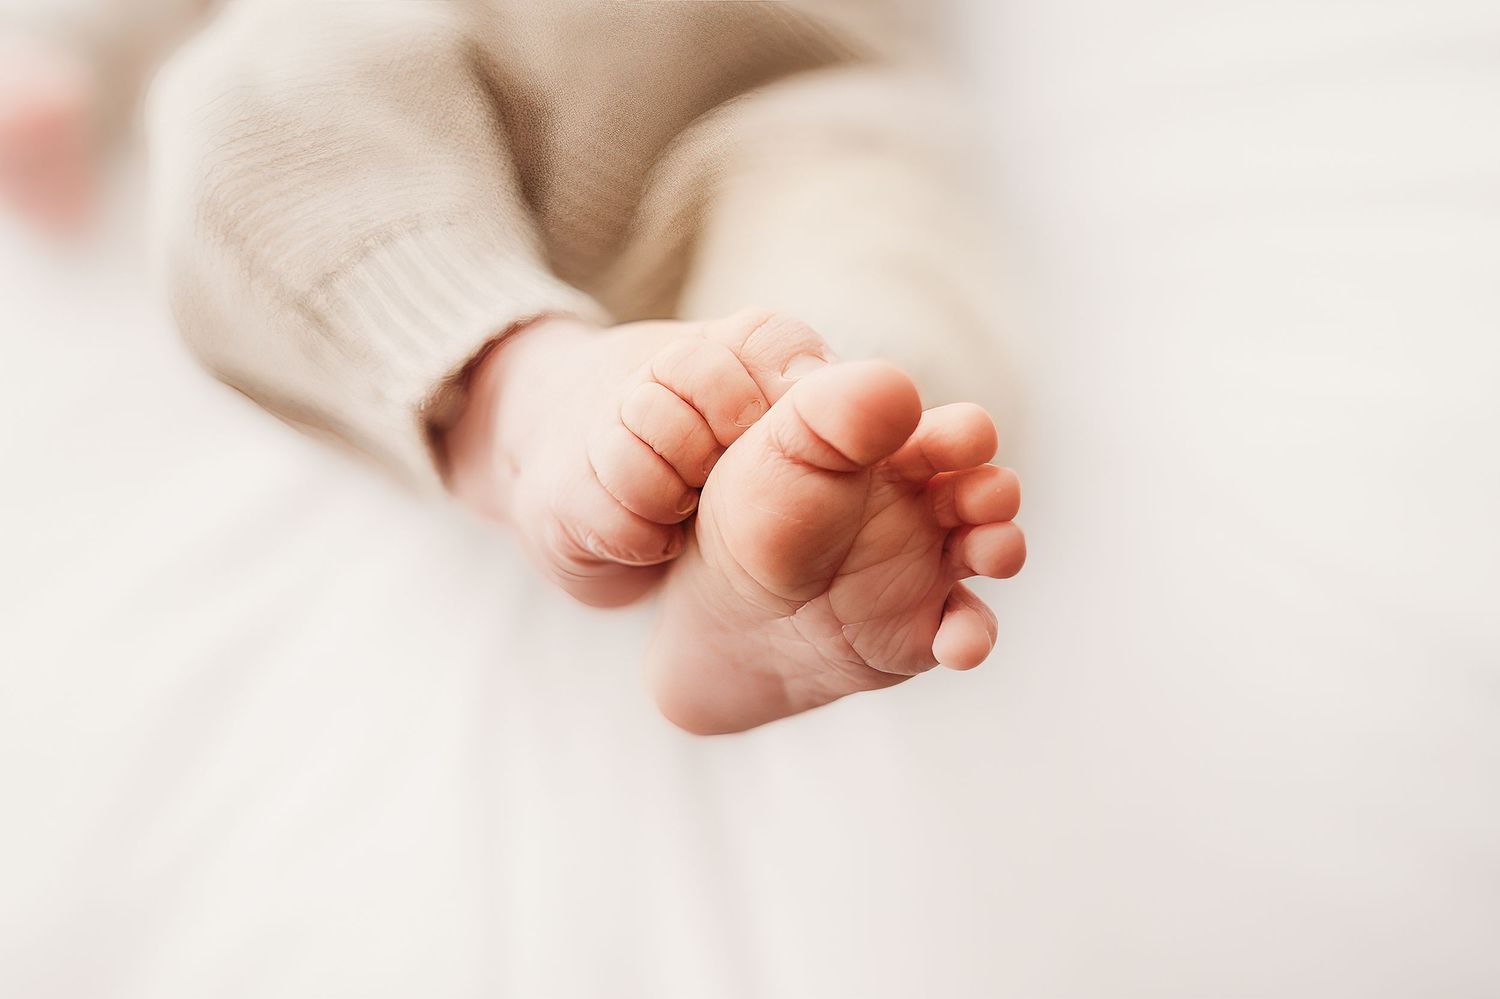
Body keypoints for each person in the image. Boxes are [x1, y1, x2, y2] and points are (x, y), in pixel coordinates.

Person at [3, 0, 1025, 733]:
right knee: (261, 90)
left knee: (876, 262)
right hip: (427, 55)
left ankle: (781, 539)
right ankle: (524, 395)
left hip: (778, 86)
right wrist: (56, 48)